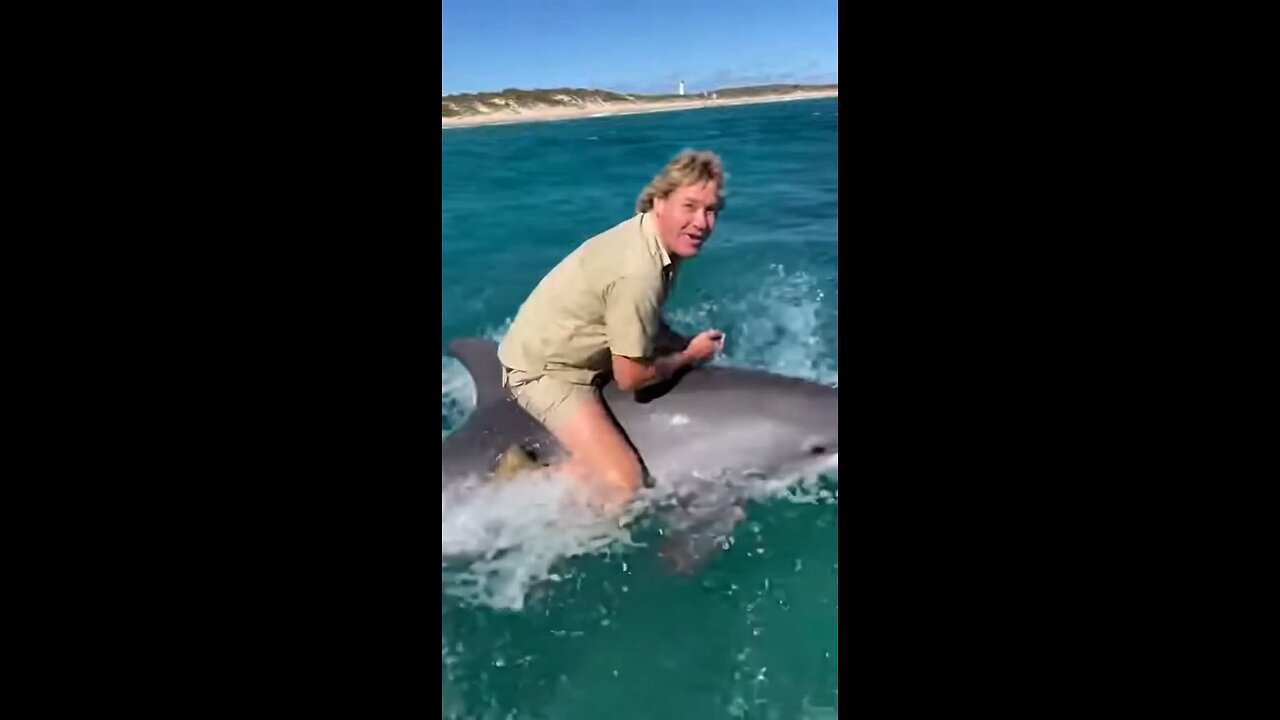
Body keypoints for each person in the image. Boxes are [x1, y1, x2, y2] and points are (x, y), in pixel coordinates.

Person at [494, 149, 729, 512]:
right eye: (690, 206)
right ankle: (521, 479)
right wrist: (688, 356)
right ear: (659, 202)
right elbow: (631, 378)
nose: (701, 222)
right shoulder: (640, 271)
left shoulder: (657, 239)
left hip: (558, 341)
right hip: (545, 370)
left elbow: (638, 316)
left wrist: (676, 343)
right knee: (624, 483)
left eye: (711, 210)